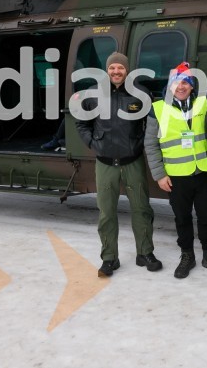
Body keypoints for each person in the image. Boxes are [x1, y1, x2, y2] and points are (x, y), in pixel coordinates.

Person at [74, 52, 162, 278]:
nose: (116, 72)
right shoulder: (93, 95)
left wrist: (138, 144)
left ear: (127, 69)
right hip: (105, 164)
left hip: (132, 162)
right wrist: (94, 143)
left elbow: (152, 123)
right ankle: (109, 258)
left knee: (141, 209)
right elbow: (82, 122)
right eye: (112, 68)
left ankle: (145, 252)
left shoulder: (140, 93)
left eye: (120, 68)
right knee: (106, 213)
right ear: (107, 70)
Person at [144, 62, 207, 279]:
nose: (180, 87)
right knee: (182, 217)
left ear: (191, 86)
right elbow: (151, 144)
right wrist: (159, 174)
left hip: (204, 172)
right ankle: (187, 254)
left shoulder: (204, 103)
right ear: (170, 86)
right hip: (176, 176)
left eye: (185, 82)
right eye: (176, 83)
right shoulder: (157, 109)